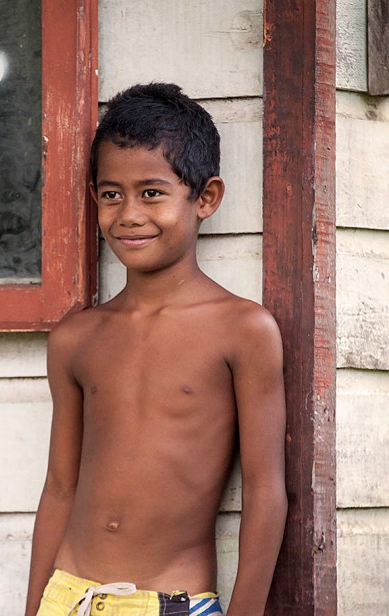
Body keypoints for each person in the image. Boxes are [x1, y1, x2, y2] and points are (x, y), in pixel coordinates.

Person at [24, 83, 287, 616]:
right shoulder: (77, 339)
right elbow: (58, 489)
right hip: (68, 596)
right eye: (110, 193)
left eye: (151, 193)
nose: (128, 215)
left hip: (172, 601)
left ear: (205, 198)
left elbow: (266, 492)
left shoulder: (242, 329)